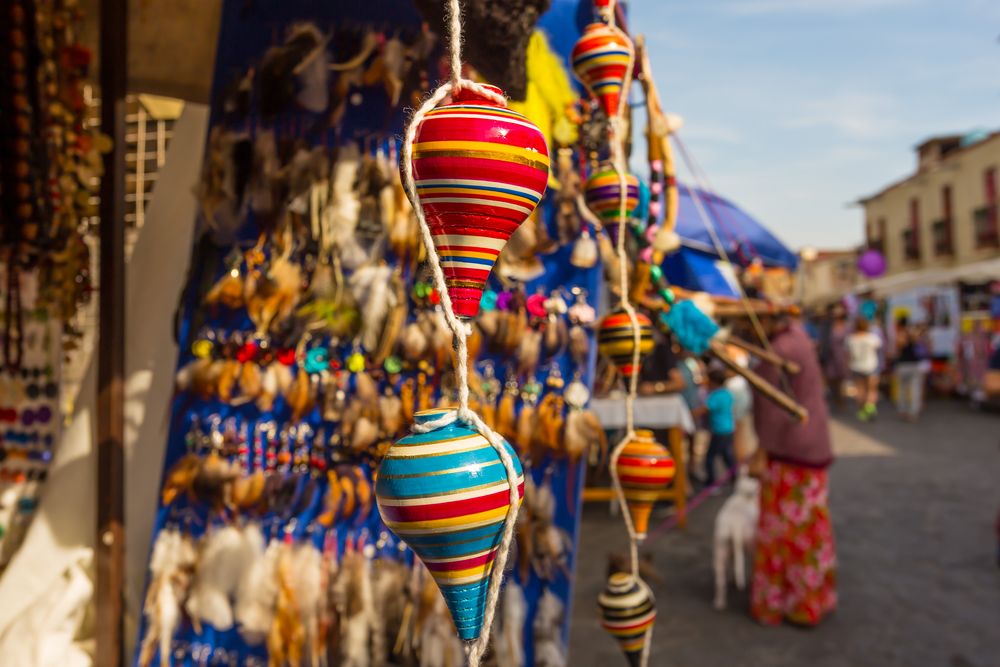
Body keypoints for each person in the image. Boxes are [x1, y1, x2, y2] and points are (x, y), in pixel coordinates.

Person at [749, 314, 836, 627]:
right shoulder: (796, 336)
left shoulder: (780, 349)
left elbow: (770, 408)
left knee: (787, 532)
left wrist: (760, 452)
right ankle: (810, 598)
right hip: (808, 446)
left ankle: (790, 601)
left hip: (792, 451)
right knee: (808, 528)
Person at [701, 367, 736, 490]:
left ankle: (711, 482)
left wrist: (690, 414)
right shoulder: (727, 393)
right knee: (726, 454)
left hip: (720, 430)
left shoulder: (715, 395)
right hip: (729, 428)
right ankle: (734, 477)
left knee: (710, 457)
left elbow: (705, 409)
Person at [846, 317, 882, 421]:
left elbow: (848, 355)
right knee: (872, 389)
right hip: (871, 366)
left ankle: (861, 411)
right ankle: (870, 408)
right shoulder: (872, 338)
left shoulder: (851, 339)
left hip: (856, 366)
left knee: (860, 390)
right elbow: (878, 350)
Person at [892, 315, 927, 421]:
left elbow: (897, 349)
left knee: (902, 389)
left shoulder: (901, 334)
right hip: (913, 364)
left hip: (903, 364)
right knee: (915, 389)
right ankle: (913, 411)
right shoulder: (913, 333)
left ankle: (903, 410)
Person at [823, 310, 850, 407]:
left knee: (840, 379)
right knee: (832, 378)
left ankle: (841, 399)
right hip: (832, 356)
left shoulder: (846, 328)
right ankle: (836, 398)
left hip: (841, 356)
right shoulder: (831, 328)